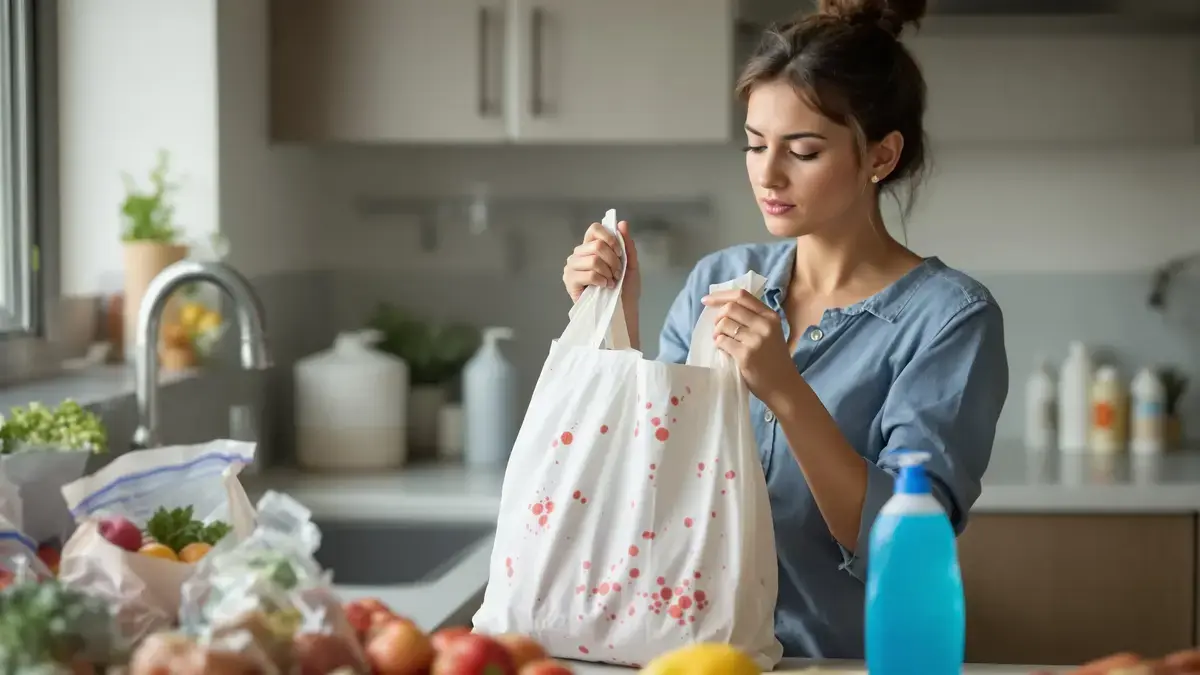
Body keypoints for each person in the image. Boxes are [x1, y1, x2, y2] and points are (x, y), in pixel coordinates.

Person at [561, 0, 1009, 660]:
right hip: (693, 657)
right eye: (755, 144)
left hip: (841, 663)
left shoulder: (949, 319)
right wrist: (612, 318)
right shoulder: (722, 279)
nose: (767, 175)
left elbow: (907, 540)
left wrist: (785, 391)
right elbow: (646, 479)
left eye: (803, 150)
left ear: (880, 155)